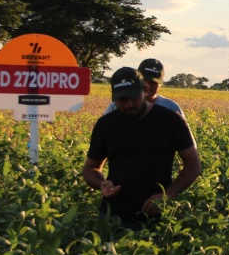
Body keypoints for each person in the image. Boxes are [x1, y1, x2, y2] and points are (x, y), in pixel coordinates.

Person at [83, 67, 202, 229]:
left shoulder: (171, 121)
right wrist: (101, 184)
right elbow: (91, 168)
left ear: (145, 90)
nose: (129, 104)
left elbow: (193, 165)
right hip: (112, 216)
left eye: (134, 97)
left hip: (156, 216)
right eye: (122, 100)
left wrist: (167, 195)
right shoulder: (105, 124)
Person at [104, 58, 185, 118]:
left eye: (153, 82)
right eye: (144, 80)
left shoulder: (171, 107)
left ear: (161, 84)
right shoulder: (118, 106)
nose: (148, 85)